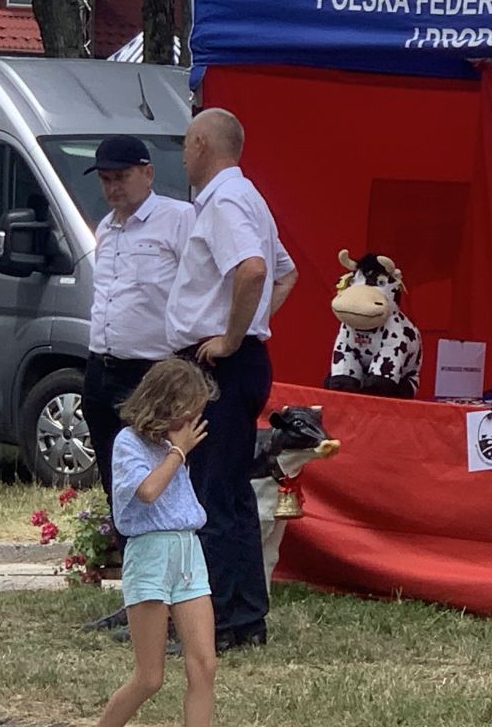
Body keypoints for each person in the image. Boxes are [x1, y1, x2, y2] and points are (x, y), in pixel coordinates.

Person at [166, 108, 298, 652]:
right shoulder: (248, 197)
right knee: (232, 491)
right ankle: (244, 616)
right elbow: (286, 273)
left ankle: (216, 619)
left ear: (202, 143)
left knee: (210, 493)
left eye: (185, 143)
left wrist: (231, 336)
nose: (181, 155)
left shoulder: (223, 201)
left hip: (217, 363)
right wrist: (250, 325)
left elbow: (255, 270)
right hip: (235, 359)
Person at [81, 135, 194, 632]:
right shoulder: (107, 228)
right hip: (103, 363)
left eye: (121, 177)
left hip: (152, 369)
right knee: (120, 486)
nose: (113, 188)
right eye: (105, 179)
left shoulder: (177, 219)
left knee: (160, 488)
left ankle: (171, 602)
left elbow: (202, 285)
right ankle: (139, 599)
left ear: (147, 173)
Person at [97, 357, 217, 727]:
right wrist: (177, 453)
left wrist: (176, 450)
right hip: (150, 553)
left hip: (187, 552)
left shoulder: (170, 445)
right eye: (186, 413)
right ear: (163, 406)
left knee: (204, 665)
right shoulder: (129, 443)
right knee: (150, 677)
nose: (190, 422)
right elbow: (148, 492)